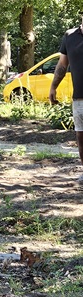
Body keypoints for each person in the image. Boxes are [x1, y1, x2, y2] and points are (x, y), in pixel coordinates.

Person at [49, 12, 83, 183]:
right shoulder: (70, 37)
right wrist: (53, 87)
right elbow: (62, 64)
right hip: (79, 99)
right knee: (80, 136)